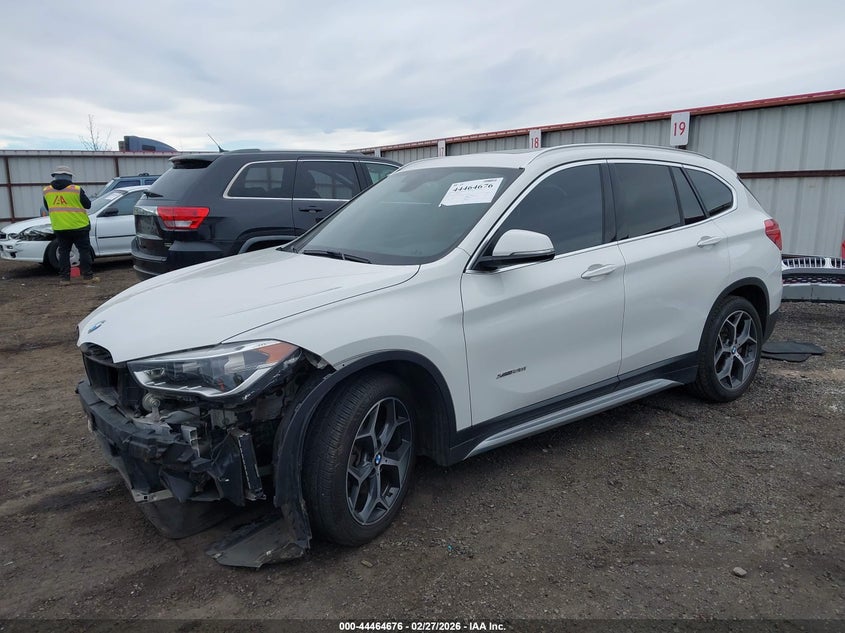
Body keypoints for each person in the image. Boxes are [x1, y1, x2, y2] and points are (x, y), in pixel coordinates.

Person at [43, 165, 99, 285]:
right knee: (84, 251)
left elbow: (48, 207)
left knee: (63, 252)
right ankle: (87, 277)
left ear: (55, 176)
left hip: (60, 227)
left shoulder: (47, 191)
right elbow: (88, 205)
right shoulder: (76, 189)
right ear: (69, 176)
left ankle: (64, 279)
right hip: (79, 226)